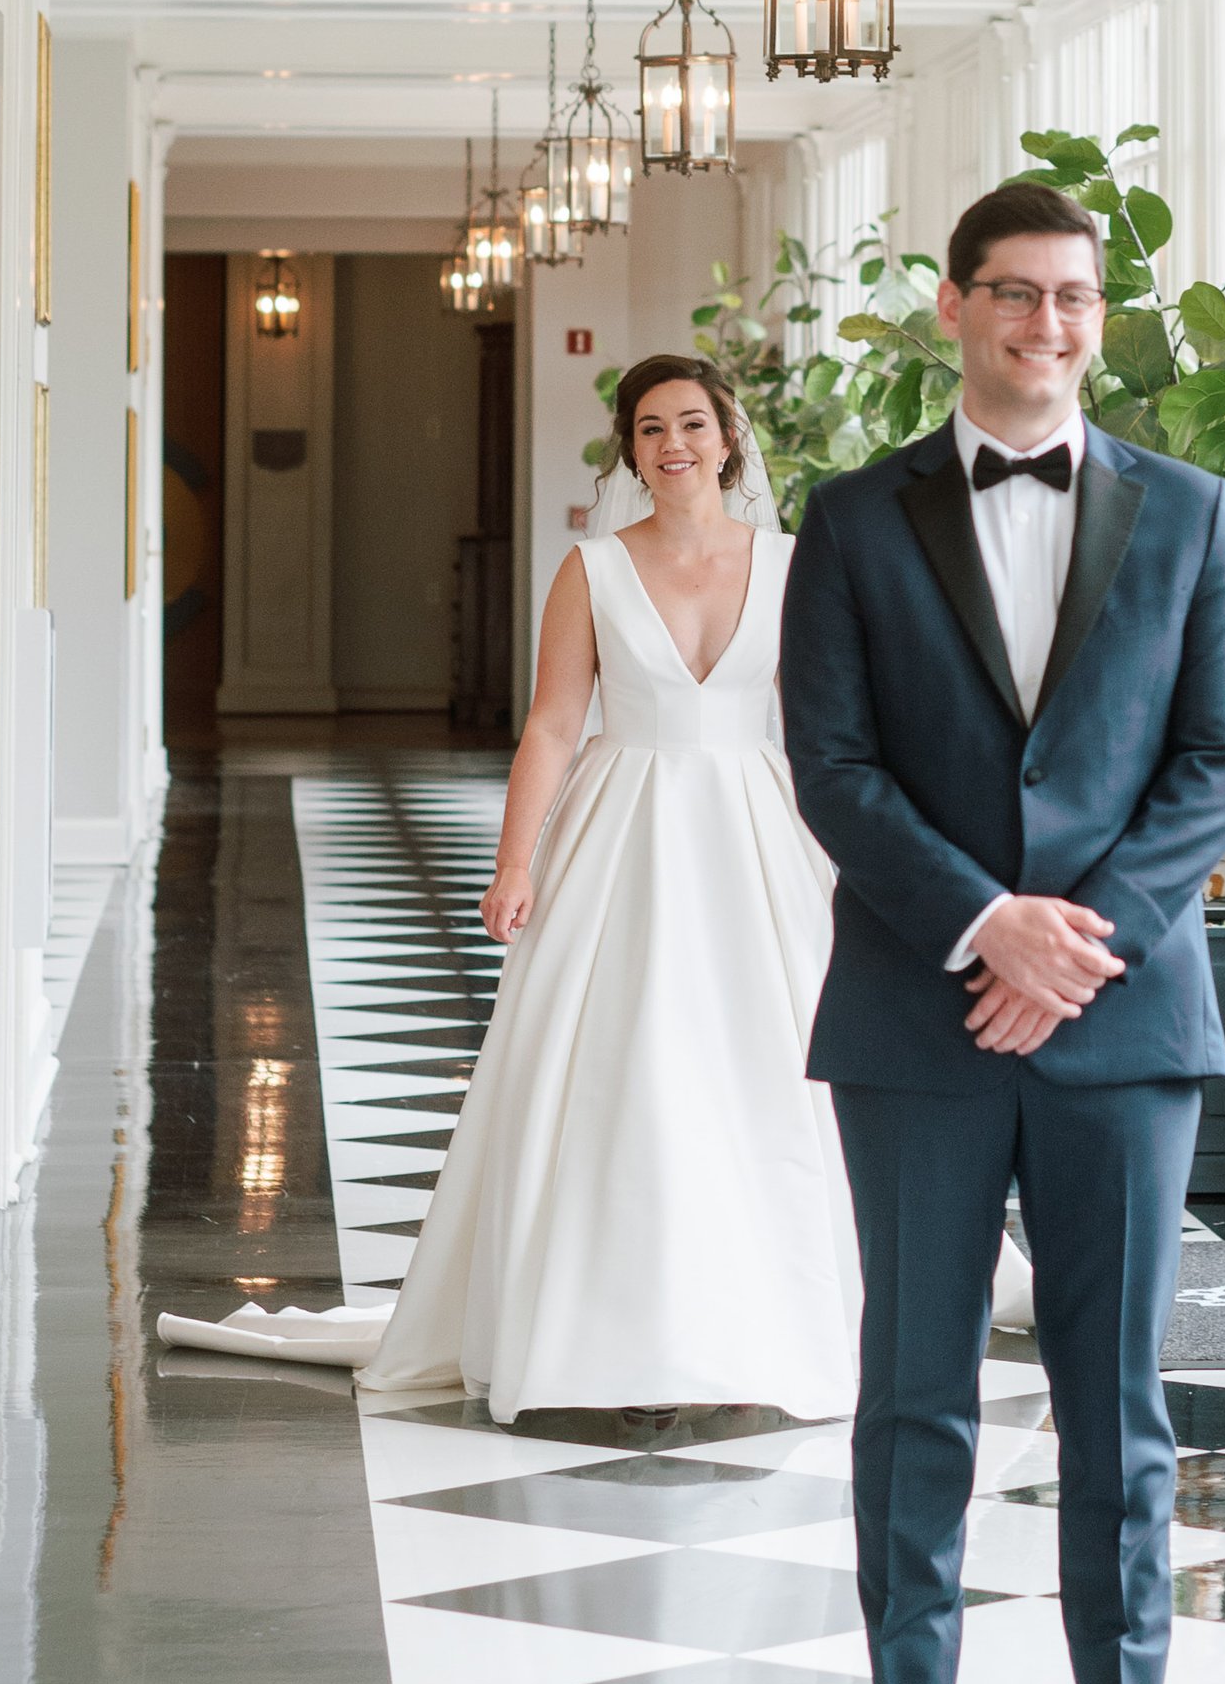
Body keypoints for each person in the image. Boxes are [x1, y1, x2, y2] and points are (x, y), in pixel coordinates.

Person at [780, 179, 1225, 1684]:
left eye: (1072, 298)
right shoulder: (849, 518)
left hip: (1124, 1029)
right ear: (953, 306)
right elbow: (831, 767)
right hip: (919, 1018)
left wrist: (1077, 944)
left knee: (1114, 1389)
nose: (1043, 325)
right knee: (913, 1379)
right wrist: (986, 925)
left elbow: (1217, 766)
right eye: (1013, 294)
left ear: (1097, 318)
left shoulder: (1196, 514)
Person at [360, 355, 861, 1427]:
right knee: (617, 1065)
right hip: (621, 827)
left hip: (753, 835)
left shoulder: (791, 561)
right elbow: (551, 722)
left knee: (763, 1070)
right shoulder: (590, 567)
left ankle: (760, 1318)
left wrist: (849, 858)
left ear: (729, 437)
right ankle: (604, 1321)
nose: (670, 443)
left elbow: (821, 727)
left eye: (690, 422)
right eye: (648, 428)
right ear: (630, 450)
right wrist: (514, 860)